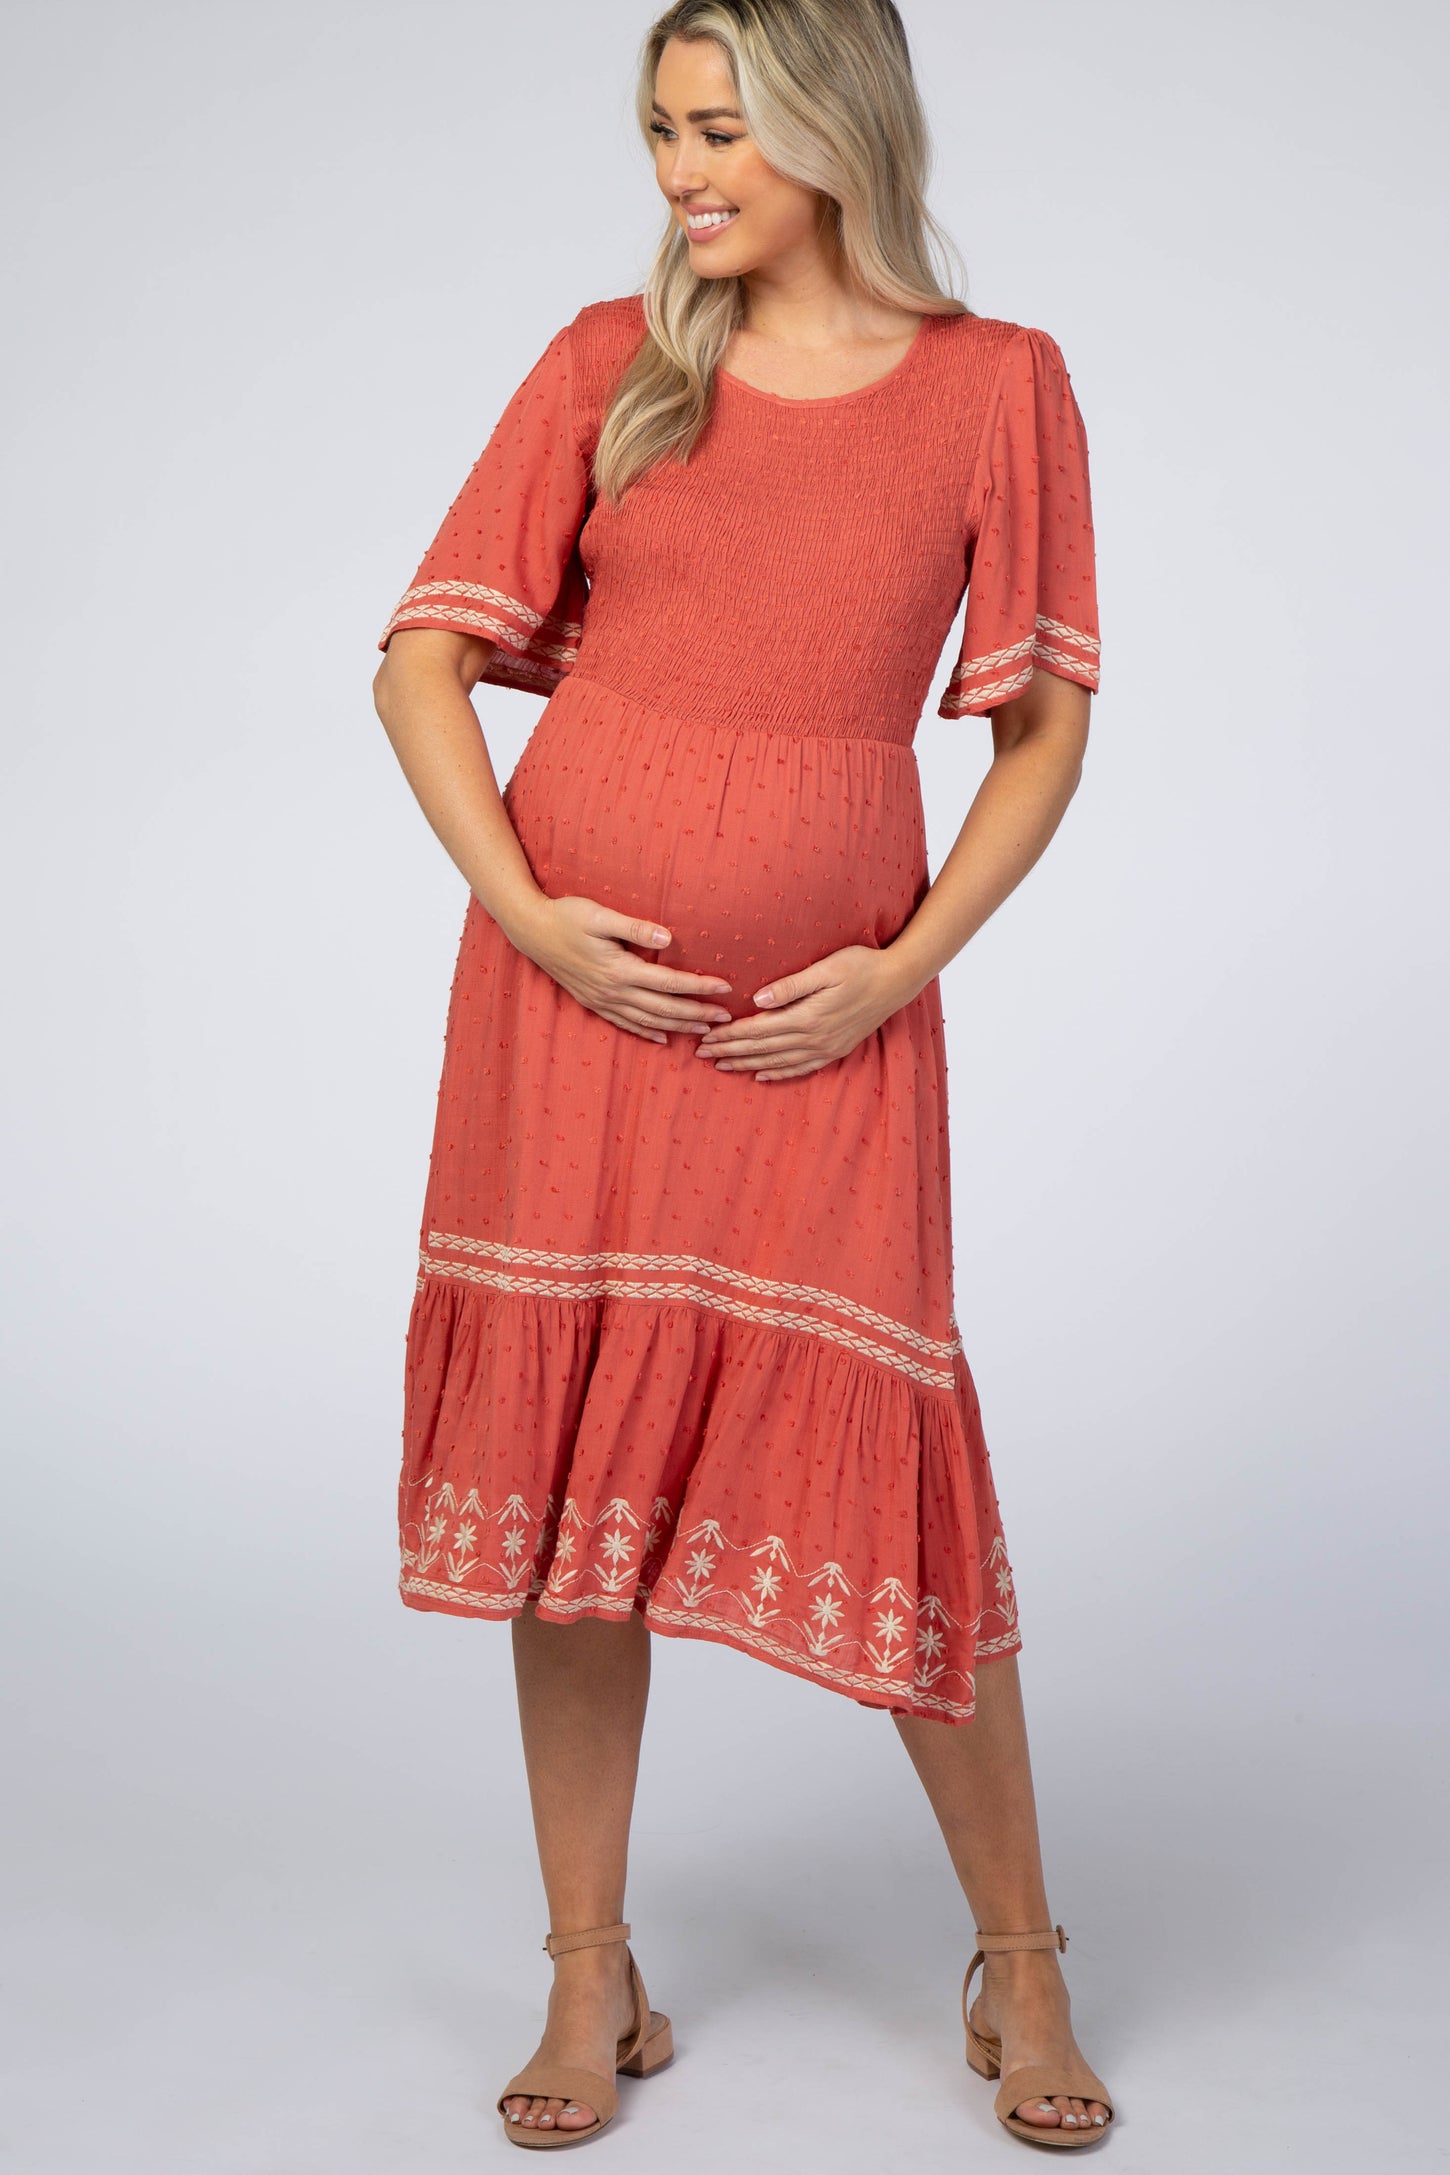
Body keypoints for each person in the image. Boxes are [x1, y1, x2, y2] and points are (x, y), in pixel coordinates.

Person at [372, 0, 1113, 2151]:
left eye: (720, 129)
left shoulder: (995, 385)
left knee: (898, 1467)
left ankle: (1021, 1954)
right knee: (567, 1500)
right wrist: (526, 913)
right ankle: (587, 1969)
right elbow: (421, 659)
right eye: (661, 130)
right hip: (569, 1022)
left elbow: (1042, 729)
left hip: (822, 1028)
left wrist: (899, 965)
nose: (681, 171)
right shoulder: (610, 360)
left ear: (835, 126)